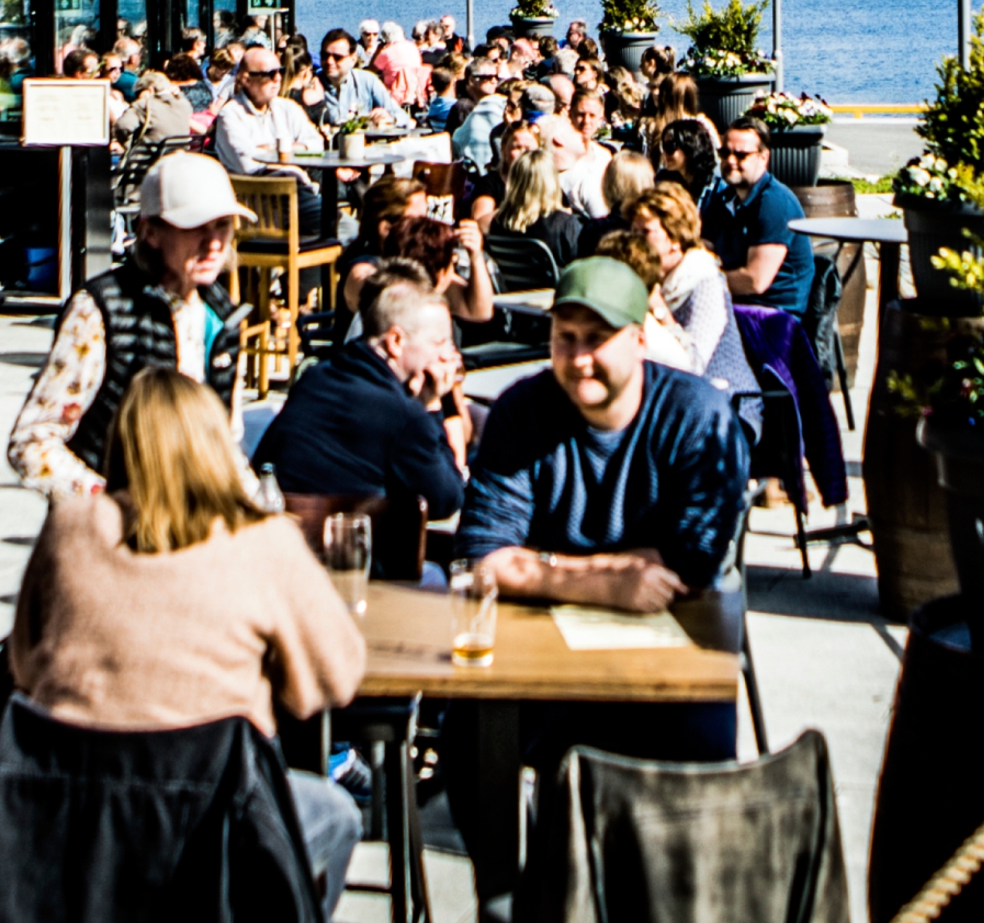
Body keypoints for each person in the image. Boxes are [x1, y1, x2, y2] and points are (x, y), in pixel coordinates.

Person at [10, 370, 366, 899]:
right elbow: (335, 680)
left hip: (72, 818)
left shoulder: (73, 527)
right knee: (336, 813)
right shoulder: (265, 541)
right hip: (210, 822)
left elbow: (24, 664)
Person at [453, 258, 751, 802]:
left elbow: (688, 564)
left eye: (597, 339)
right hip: (542, 638)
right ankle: (507, 890)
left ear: (639, 339)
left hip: (671, 642)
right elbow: (482, 555)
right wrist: (605, 581)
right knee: (467, 735)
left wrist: (538, 565)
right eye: (564, 338)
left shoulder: (698, 416)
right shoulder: (523, 410)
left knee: (699, 752)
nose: (579, 358)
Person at [5, 154, 248, 496]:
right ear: (150, 232)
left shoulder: (222, 315)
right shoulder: (101, 310)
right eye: (195, 227)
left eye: (223, 225)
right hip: (113, 526)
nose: (213, 244)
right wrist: (111, 505)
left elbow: (226, 442)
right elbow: (32, 442)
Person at [251, 273, 469, 530]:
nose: (448, 355)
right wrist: (432, 404)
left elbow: (265, 462)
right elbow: (447, 499)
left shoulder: (316, 377)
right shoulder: (405, 416)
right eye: (439, 342)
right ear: (396, 341)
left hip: (279, 538)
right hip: (352, 556)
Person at [611, 190, 761, 427]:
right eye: (634, 231)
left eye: (646, 232)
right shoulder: (649, 275)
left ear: (675, 238)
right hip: (671, 402)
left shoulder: (704, 279)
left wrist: (659, 309)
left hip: (727, 406)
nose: (636, 241)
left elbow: (692, 365)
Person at [210, 48, 334, 242]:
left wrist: (279, 150)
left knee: (344, 228)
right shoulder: (231, 114)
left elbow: (317, 144)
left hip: (297, 194)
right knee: (337, 227)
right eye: (269, 74)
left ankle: (306, 270)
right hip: (256, 205)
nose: (277, 79)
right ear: (246, 79)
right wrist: (291, 163)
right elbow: (248, 165)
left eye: (280, 71)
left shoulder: (287, 108)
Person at [701, 122, 817, 314]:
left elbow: (755, 281)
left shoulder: (775, 204)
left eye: (741, 155)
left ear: (764, 158)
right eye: (724, 153)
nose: (730, 161)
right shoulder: (721, 199)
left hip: (773, 317)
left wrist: (700, 281)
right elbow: (701, 250)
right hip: (732, 305)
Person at [313, 31, 405, 132]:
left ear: (353, 59)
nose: (329, 61)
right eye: (325, 55)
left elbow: (403, 117)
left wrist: (389, 119)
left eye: (337, 57)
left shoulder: (368, 81)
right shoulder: (311, 85)